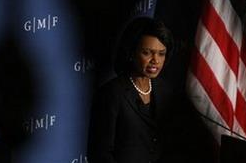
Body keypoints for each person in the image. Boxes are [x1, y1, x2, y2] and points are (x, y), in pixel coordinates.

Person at [87, 17, 216, 163]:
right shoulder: (111, 94)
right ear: (131, 52)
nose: (156, 60)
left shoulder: (165, 90)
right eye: (147, 52)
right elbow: (100, 155)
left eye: (161, 53)